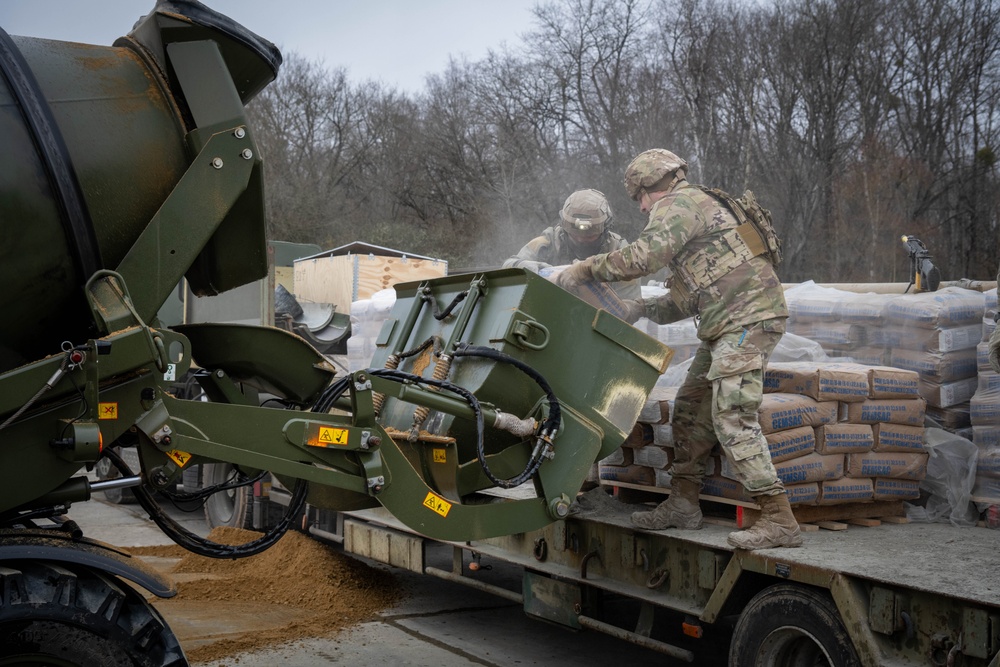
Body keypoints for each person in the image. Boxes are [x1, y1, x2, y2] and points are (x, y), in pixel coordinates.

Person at [551, 149, 800, 550]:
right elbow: (687, 299)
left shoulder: (681, 203)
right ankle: (684, 504)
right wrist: (639, 308)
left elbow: (642, 257)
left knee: (732, 414)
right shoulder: (699, 208)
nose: (643, 207)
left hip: (747, 321)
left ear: (652, 186)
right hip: (725, 325)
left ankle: (778, 518)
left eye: (640, 199)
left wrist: (583, 269)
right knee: (689, 407)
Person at [503, 189, 640, 300]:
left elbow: (629, 304)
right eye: (575, 235)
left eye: (590, 236)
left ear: (605, 229)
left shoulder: (618, 251)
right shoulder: (549, 242)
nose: (581, 240)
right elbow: (509, 265)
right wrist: (543, 272)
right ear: (564, 227)